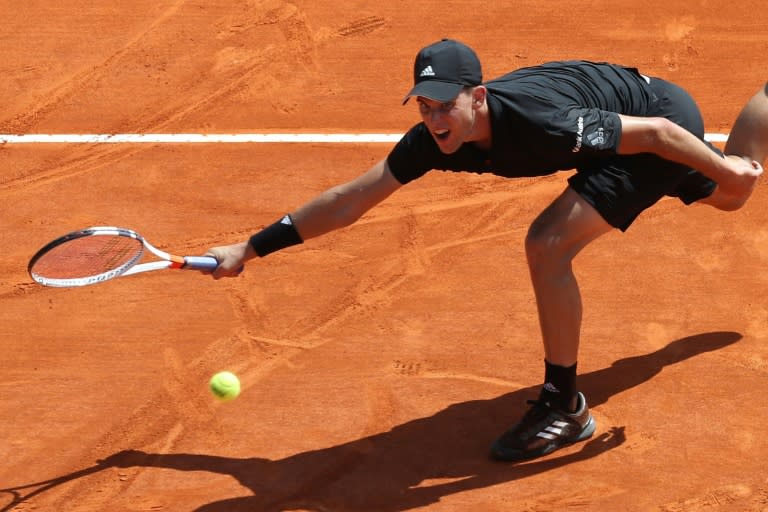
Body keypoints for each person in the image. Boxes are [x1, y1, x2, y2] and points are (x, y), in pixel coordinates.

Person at [204, 39, 765, 462]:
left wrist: (720, 165)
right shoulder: (433, 141)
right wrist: (250, 248)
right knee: (728, 199)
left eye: (446, 105)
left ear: (478, 97)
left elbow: (659, 134)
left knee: (547, 244)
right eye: (424, 105)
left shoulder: (538, 122)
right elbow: (351, 200)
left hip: (656, 123)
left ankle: (563, 406)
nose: (435, 118)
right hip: (620, 133)